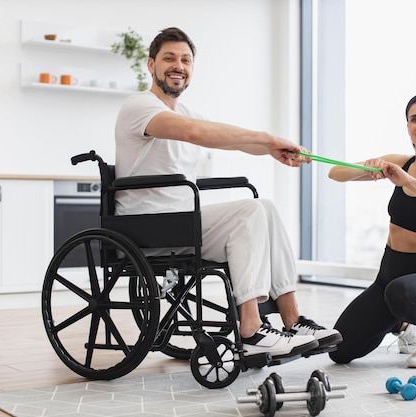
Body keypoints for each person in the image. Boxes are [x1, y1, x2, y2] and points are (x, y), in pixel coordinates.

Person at [114, 27, 342, 360]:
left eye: (185, 60)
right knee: (248, 212)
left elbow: (228, 139)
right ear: (151, 65)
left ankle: (293, 320)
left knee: (264, 207)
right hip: (147, 225)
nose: (178, 65)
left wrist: (272, 150)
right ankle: (250, 328)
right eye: (169, 58)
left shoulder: (187, 112)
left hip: (181, 223)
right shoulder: (140, 106)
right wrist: (267, 137)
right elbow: (197, 134)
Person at [327, 92, 416, 368]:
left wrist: (412, 182)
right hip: (388, 278)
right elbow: (335, 173)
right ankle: (406, 325)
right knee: (340, 351)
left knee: (401, 292)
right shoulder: (399, 162)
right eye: (414, 119)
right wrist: (368, 167)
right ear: (407, 126)